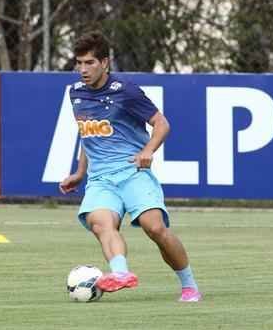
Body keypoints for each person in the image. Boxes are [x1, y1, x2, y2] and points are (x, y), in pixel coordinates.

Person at [59, 29, 202, 302]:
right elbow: (89, 135)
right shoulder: (75, 93)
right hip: (101, 179)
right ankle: (121, 273)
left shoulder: (126, 91)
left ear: (105, 63)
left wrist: (148, 151)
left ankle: (189, 285)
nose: (83, 69)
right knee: (102, 224)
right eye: (79, 63)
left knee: (155, 228)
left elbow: (162, 124)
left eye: (89, 63)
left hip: (133, 173)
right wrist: (80, 173)